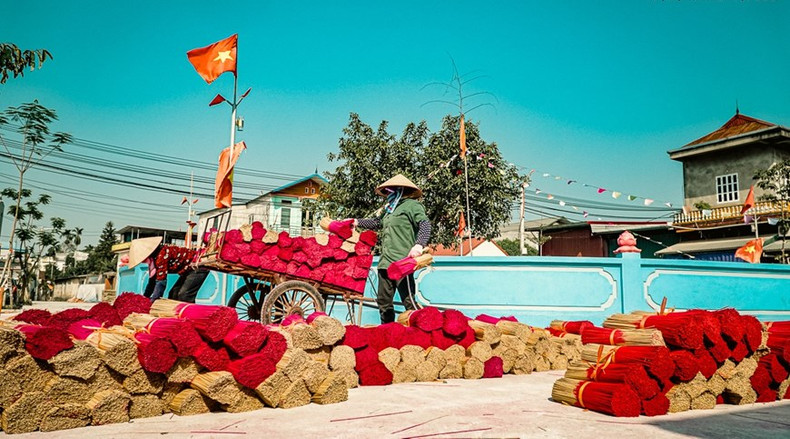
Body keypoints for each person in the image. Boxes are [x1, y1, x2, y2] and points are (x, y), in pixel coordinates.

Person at [353, 174, 431, 323]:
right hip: (385, 263)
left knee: (409, 301)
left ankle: (420, 331)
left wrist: (419, 244)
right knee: (383, 302)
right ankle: (388, 331)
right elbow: (377, 222)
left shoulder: (412, 206)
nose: (388, 194)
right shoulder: (389, 209)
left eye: (391, 190)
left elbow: (425, 224)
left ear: (400, 190)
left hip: (402, 262)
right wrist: (357, 222)